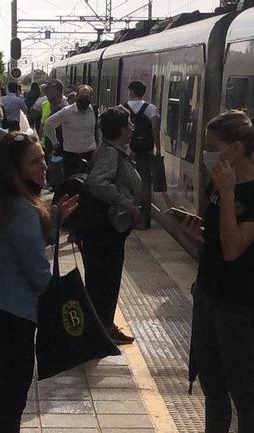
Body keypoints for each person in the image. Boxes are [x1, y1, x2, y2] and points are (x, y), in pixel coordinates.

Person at [165, 111, 254, 433]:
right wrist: (195, 230)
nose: (207, 155)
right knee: (212, 384)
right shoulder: (220, 185)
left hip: (239, 303)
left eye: (213, 148)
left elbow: (234, 249)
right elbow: (217, 242)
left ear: (236, 149)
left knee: (241, 388)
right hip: (209, 293)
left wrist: (229, 194)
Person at [0, 132, 77, 433]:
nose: (44, 165)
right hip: (10, 314)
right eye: (35, 160)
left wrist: (55, 215)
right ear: (15, 169)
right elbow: (37, 271)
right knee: (8, 399)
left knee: (3, 396)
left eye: (43, 157)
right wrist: (65, 295)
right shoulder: (19, 208)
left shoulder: (3, 202)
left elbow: (24, 243)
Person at [76, 107, 140, 345]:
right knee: (105, 279)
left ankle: (101, 325)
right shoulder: (110, 153)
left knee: (102, 278)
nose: (132, 128)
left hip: (105, 228)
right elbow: (96, 182)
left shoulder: (111, 150)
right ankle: (103, 327)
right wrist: (124, 202)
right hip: (106, 228)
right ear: (122, 130)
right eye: (130, 125)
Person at [123, 80, 163, 228]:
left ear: (132, 92)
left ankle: (129, 216)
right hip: (145, 151)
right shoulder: (151, 108)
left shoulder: (123, 107)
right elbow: (155, 130)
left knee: (128, 184)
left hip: (127, 152)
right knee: (145, 184)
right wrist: (158, 149)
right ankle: (144, 219)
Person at [44, 84, 99, 177]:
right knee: (71, 184)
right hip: (71, 156)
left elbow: (97, 130)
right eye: (81, 96)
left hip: (90, 154)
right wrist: (54, 142)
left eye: (87, 97)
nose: (84, 99)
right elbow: (49, 124)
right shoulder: (67, 112)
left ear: (91, 98)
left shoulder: (94, 111)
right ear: (76, 96)